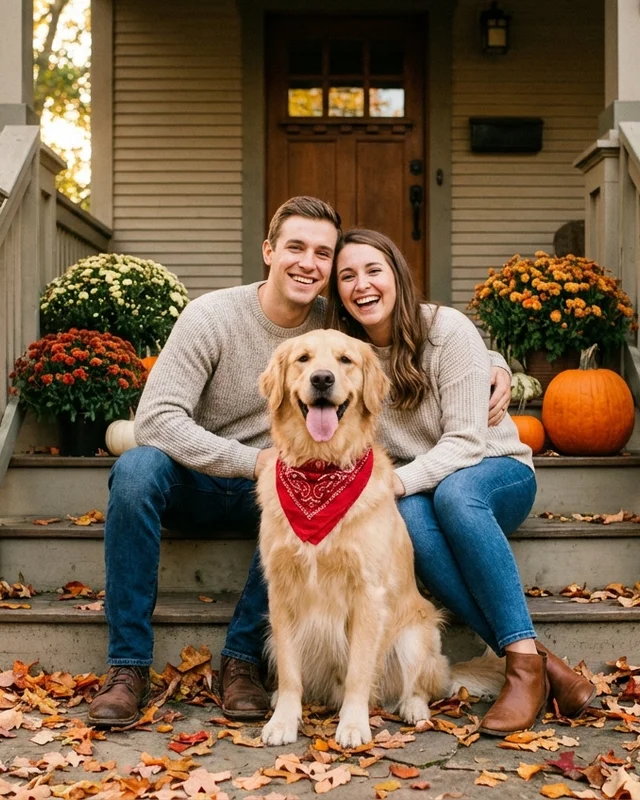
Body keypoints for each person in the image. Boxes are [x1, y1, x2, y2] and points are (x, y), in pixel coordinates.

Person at [87, 198, 512, 727]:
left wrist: (494, 364)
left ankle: (241, 661)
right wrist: (253, 460)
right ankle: (128, 667)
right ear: (268, 251)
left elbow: (409, 334)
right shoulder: (210, 316)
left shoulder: (336, 324)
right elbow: (154, 419)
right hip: (212, 476)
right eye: (295, 247)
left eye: (323, 254)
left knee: (301, 507)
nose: (308, 263)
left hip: (289, 483)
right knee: (135, 469)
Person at [327, 228, 596, 735]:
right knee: (407, 519)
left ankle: (519, 665)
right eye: (347, 276)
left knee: (453, 494)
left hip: (496, 472)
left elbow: (468, 444)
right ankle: (538, 663)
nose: (362, 284)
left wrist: (395, 483)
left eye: (373, 270)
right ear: (338, 292)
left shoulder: (446, 330)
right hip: (422, 490)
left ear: (398, 277)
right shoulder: (345, 358)